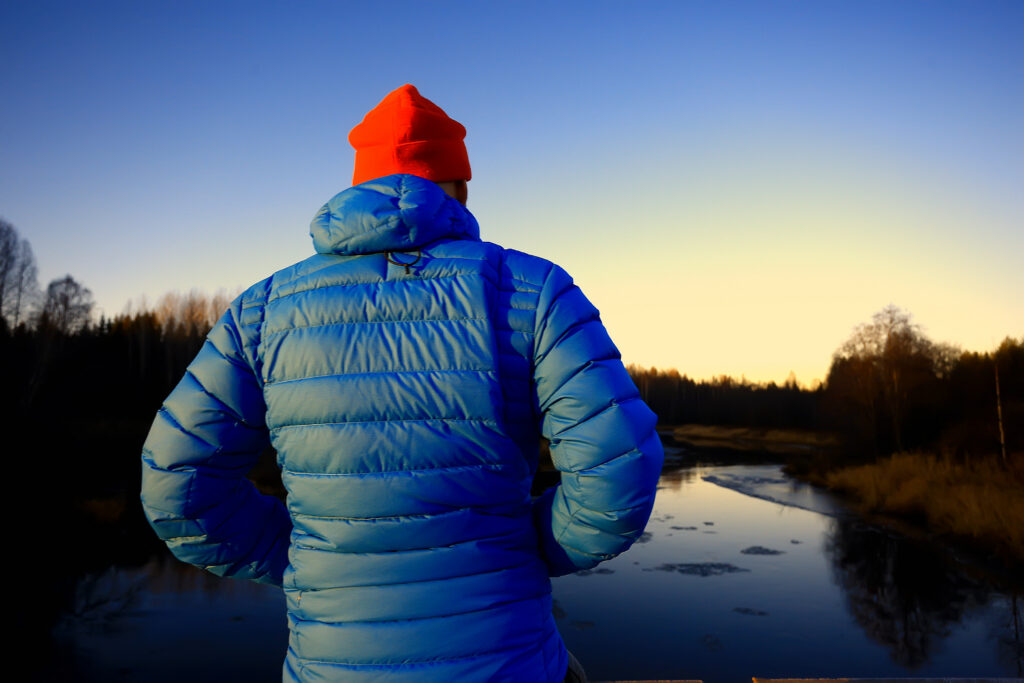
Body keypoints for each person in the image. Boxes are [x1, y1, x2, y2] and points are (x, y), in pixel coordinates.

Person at [140, 84, 663, 682]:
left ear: (359, 184)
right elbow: (619, 469)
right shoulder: (531, 288)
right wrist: (530, 544)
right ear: (460, 187)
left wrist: (303, 555)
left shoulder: (261, 311)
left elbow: (176, 487)